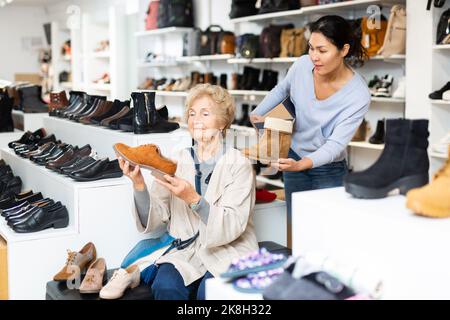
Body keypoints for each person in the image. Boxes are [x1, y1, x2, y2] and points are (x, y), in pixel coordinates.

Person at [119, 84, 258, 300]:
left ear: (222, 122)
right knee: (166, 286)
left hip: (228, 249)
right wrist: (138, 185)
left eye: (205, 113)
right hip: (186, 250)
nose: (196, 120)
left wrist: (193, 199)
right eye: (192, 114)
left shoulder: (239, 164)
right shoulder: (178, 160)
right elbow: (155, 217)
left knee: (210, 292)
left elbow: (232, 224)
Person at [250, 15, 371, 218]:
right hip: (293, 156)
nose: (314, 56)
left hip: (328, 169)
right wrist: (258, 113)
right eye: (311, 48)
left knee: (325, 230)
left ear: (344, 50)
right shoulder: (303, 65)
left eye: (322, 50)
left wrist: (301, 164)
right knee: (297, 226)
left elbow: (334, 145)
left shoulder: (358, 94)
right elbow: (282, 89)